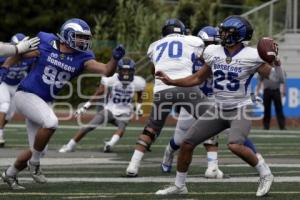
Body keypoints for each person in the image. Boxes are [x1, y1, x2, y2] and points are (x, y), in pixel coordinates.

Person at [155, 16, 282, 197]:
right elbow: (197, 78)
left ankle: (266, 174)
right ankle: (179, 185)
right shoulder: (213, 51)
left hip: (240, 108)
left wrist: (277, 65)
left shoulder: (252, 55)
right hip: (217, 108)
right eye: (222, 30)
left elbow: (278, 79)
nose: (222, 34)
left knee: (235, 145)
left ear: (240, 34)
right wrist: (172, 81)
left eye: (227, 31)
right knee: (187, 144)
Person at [1, 18, 125, 190]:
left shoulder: (83, 57)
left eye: (85, 37)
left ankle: (10, 174)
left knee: (38, 148)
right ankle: (35, 164)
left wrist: (114, 59)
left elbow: (106, 70)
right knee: (51, 123)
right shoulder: (46, 42)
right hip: (25, 94)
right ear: (67, 35)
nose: (83, 41)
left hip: (43, 102)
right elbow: (20, 55)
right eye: (79, 37)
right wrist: (5, 68)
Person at [126, 19, 212, 177]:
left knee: (151, 128)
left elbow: (155, 68)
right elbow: (204, 61)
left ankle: (133, 165)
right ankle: (212, 167)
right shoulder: (193, 40)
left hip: (162, 89)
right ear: (182, 30)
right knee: (212, 121)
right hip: (186, 88)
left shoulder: (154, 45)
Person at [58, 57, 146, 153]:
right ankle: (70, 145)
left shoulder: (138, 82)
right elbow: (99, 93)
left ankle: (110, 144)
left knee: (121, 128)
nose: (126, 73)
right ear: (119, 70)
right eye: (124, 70)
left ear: (133, 71)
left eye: (128, 71)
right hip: (109, 110)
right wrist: (85, 106)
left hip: (124, 112)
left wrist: (138, 108)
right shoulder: (111, 79)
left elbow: (140, 97)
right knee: (89, 126)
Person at [0, 33, 36, 147]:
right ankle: (0, 134)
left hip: (16, 85)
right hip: (4, 83)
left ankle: (1, 128)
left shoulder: (30, 57)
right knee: (4, 105)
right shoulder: (5, 55)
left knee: (10, 115)